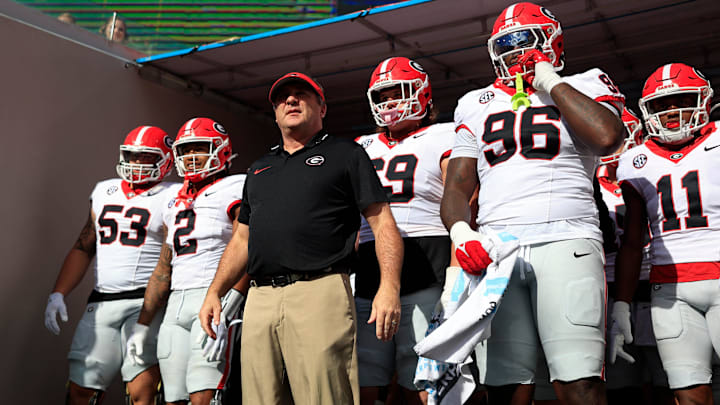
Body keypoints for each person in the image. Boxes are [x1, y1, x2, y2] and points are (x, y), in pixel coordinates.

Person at [440, 2, 626, 404]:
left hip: (567, 239)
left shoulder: (587, 81)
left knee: (578, 381)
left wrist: (549, 81)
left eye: (523, 42)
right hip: (498, 250)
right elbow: (456, 187)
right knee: (505, 384)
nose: (513, 54)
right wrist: (460, 233)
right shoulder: (474, 102)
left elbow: (608, 136)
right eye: (504, 46)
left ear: (552, 42)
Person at [197, 72, 404, 405]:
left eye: (301, 94)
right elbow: (241, 240)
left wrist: (389, 286)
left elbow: (382, 224)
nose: (291, 100)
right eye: (283, 97)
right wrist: (215, 292)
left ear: (322, 108)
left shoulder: (346, 154)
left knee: (324, 398)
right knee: (258, 399)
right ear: (276, 112)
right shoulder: (259, 168)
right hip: (260, 298)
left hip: (320, 291)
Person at [43, 126, 178, 405]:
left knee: (143, 389)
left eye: (146, 157)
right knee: (81, 388)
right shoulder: (105, 190)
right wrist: (59, 293)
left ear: (164, 160)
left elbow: (173, 254)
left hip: (147, 300)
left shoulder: (173, 195)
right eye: (132, 155)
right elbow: (84, 246)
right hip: (102, 300)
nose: (137, 162)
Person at [613, 62, 720, 405]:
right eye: (662, 104)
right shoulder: (634, 160)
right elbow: (632, 242)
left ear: (703, 100)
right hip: (669, 289)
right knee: (687, 392)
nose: (672, 110)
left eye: (681, 99)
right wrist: (622, 303)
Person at [355, 56, 456, 405]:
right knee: (365, 373)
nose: (390, 103)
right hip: (369, 266)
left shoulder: (446, 134)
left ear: (423, 93)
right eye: (382, 96)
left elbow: (464, 202)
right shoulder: (361, 146)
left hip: (426, 262)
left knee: (422, 374)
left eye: (398, 92)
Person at [126, 118, 247, 405]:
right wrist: (142, 324)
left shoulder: (236, 186)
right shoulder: (172, 199)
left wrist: (229, 305)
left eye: (199, 149)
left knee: (204, 393)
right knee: (173, 397)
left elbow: (248, 248)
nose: (191, 157)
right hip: (175, 306)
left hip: (213, 297)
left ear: (222, 150)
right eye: (185, 150)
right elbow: (164, 265)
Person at [598, 108, 673, 405]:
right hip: (611, 297)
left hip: (656, 292)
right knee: (620, 387)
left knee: (669, 380)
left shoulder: (653, 178)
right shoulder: (589, 188)